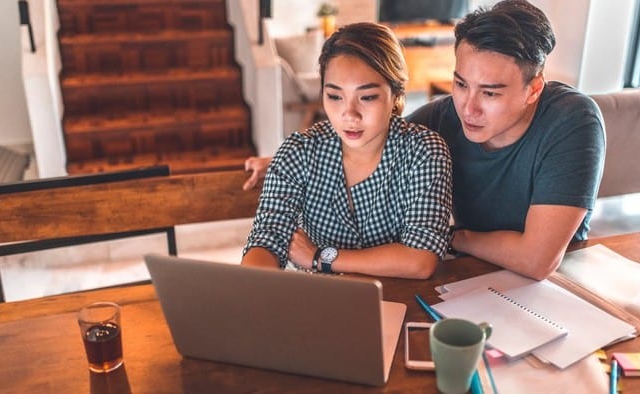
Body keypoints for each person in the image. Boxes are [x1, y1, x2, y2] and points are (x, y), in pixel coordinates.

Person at [242, 0, 606, 281]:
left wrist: (452, 238)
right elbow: (370, 137)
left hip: (556, 286)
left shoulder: (572, 121)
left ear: (533, 89)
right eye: (460, 83)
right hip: (467, 278)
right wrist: (282, 161)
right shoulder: (443, 118)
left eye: (490, 94)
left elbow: (537, 260)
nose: (468, 107)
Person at [240, 22, 453, 279]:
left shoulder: (424, 152)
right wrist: (250, 289)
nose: (349, 115)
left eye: (367, 97)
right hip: (323, 302)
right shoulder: (298, 152)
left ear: (396, 93)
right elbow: (267, 238)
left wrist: (320, 257)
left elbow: (420, 259)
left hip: (402, 300)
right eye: (334, 96)